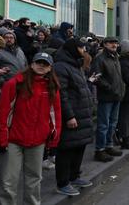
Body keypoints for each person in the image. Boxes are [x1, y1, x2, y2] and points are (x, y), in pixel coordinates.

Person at [0, 52, 62, 205]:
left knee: (34, 181)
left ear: (50, 68)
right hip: (12, 140)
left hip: (37, 140)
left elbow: (55, 114)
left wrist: (54, 138)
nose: (41, 66)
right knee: (8, 182)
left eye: (45, 64)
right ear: (31, 64)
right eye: (38, 62)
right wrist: (0, 138)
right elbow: (2, 112)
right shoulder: (15, 83)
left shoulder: (52, 87)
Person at [53, 38, 95, 196]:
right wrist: (69, 116)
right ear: (73, 49)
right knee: (67, 149)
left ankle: (74, 176)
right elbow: (61, 94)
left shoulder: (75, 65)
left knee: (79, 145)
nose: (83, 50)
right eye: (81, 47)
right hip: (72, 115)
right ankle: (62, 182)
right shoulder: (61, 67)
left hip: (82, 113)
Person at [91, 36, 125, 162]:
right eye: (111, 43)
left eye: (115, 42)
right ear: (105, 44)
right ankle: (99, 150)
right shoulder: (100, 58)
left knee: (112, 123)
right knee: (103, 124)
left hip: (116, 95)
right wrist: (109, 88)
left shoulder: (115, 57)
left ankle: (108, 146)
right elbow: (95, 78)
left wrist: (120, 89)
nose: (114, 45)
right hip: (106, 96)